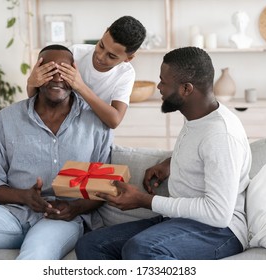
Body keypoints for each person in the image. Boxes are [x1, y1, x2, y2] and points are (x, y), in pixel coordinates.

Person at [0, 45, 112, 260]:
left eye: (64, 70)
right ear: (36, 73)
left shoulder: (95, 123)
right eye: (49, 69)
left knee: (35, 255)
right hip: (13, 212)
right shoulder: (6, 119)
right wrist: (24, 197)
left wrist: (74, 209)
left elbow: (103, 186)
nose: (57, 77)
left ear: (75, 74)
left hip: (63, 220)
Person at [75, 47, 252, 260]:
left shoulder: (221, 134)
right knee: (92, 244)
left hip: (221, 231)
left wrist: (145, 200)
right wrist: (170, 163)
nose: (158, 87)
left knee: (141, 249)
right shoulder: (198, 118)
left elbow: (218, 213)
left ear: (186, 89)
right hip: (179, 220)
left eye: (163, 82)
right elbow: (203, 155)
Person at [27, 15, 146, 129]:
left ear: (128, 58)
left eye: (111, 56)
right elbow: (37, 98)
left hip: (93, 129)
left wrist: (81, 87)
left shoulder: (125, 74)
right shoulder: (74, 53)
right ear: (105, 32)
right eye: (101, 45)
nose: (100, 56)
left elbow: (114, 121)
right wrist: (31, 83)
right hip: (60, 123)